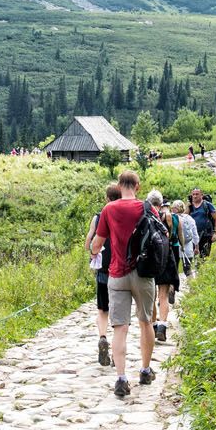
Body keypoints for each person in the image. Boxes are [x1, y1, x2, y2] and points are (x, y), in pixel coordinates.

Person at [90, 170, 157, 398]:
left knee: (120, 327)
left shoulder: (109, 209)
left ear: (119, 186)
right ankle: (145, 370)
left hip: (117, 275)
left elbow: (97, 243)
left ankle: (121, 378)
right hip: (143, 273)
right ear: (137, 186)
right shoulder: (147, 207)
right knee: (146, 321)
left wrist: (94, 252)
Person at [84, 183, 120, 367]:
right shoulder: (123, 216)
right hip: (120, 270)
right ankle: (116, 349)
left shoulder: (98, 218)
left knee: (102, 309)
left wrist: (92, 253)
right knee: (119, 313)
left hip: (103, 270)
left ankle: (102, 337)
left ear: (107, 198)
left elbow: (89, 240)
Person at [149, 190, 180, 342]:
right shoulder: (167, 216)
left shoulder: (145, 217)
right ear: (161, 203)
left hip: (150, 260)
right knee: (163, 295)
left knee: (152, 296)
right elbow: (170, 235)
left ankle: (154, 325)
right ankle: (162, 325)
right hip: (165, 257)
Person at [188, 187, 216, 265]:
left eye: (197, 194)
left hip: (206, 235)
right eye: (193, 194)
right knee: (191, 256)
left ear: (201, 195)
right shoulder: (190, 206)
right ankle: (192, 273)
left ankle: (200, 273)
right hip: (193, 235)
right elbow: (183, 217)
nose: (195, 196)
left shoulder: (207, 205)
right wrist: (187, 207)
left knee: (204, 257)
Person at [173, 199, 199, 278]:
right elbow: (195, 234)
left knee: (174, 269)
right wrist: (197, 247)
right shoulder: (189, 218)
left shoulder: (172, 218)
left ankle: (173, 289)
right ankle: (193, 287)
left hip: (175, 246)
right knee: (188, 269)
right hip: (188, 246)